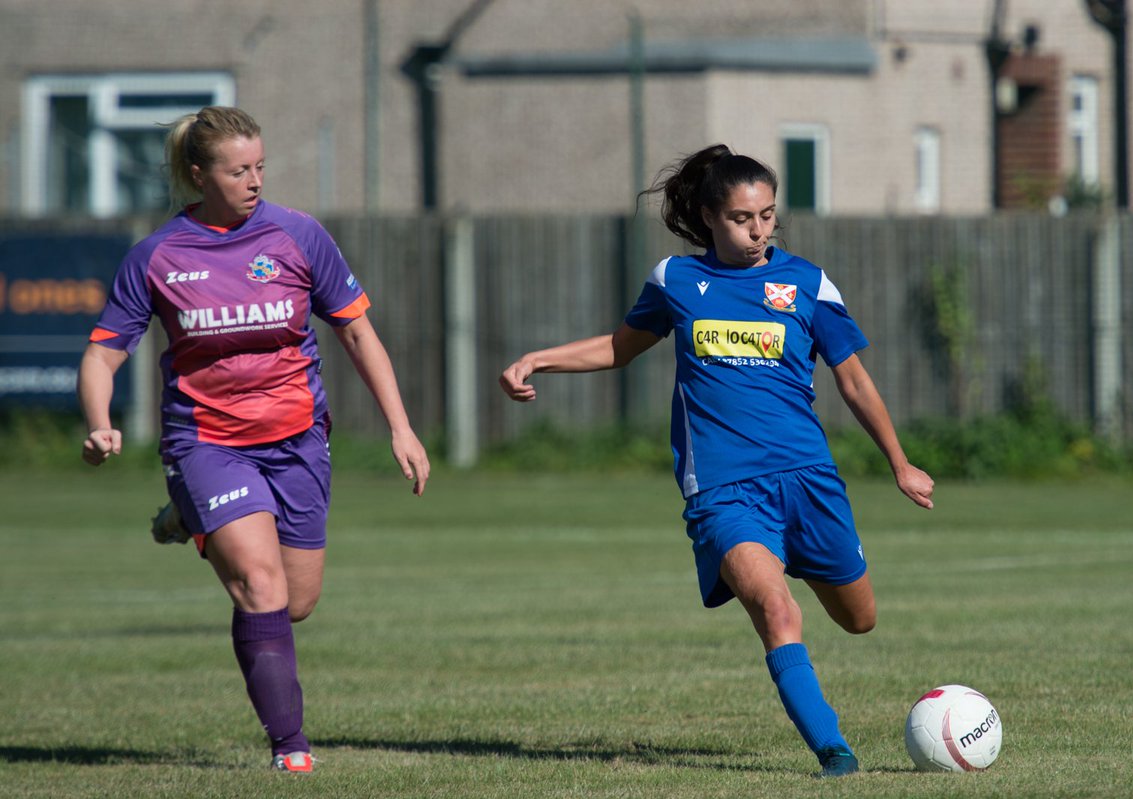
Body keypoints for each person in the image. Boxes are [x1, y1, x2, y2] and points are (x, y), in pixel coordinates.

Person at [499, 144, 934, 778]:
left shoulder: (808, 284)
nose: (757, 231)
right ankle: (835, 755)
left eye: (768, 216)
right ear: (708, 217)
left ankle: (801, 559)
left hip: (809, 482)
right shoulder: (676, 280)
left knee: (859, 619)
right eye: (740, 218)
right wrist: (539, 358)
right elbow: (620, 349)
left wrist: (900, 463)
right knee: (775, 610)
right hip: (725, 492)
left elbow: (856, 382)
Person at [77, 106, 429, 773]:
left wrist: (401, 425)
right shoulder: (159, 255)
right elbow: (102, 353)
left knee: (295, 602)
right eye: (238, 170)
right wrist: (99, 421)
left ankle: (190, 517)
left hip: (297, 439)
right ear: (197, 174)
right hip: (206, 442)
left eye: (260, 166)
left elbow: (356, 331)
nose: (254, 180)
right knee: (260, 587)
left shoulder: (298, 236)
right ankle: (289, 746)